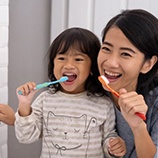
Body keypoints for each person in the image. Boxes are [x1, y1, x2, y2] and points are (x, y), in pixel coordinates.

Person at [14, 27, 126, 158]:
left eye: (78, 59)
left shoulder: (103, 103)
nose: (68, 65)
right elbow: (25, 137)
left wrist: (113, 146)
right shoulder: (45, 99)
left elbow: (108, 136)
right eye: (62, 58)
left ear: (92, 68)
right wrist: (24, 105)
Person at [97, 9, 158, 158]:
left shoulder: (155, 101)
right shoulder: (87, 93)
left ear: (148, 64)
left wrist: (138, 127)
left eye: (125, 54)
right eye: (106, 48)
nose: (110, 63)